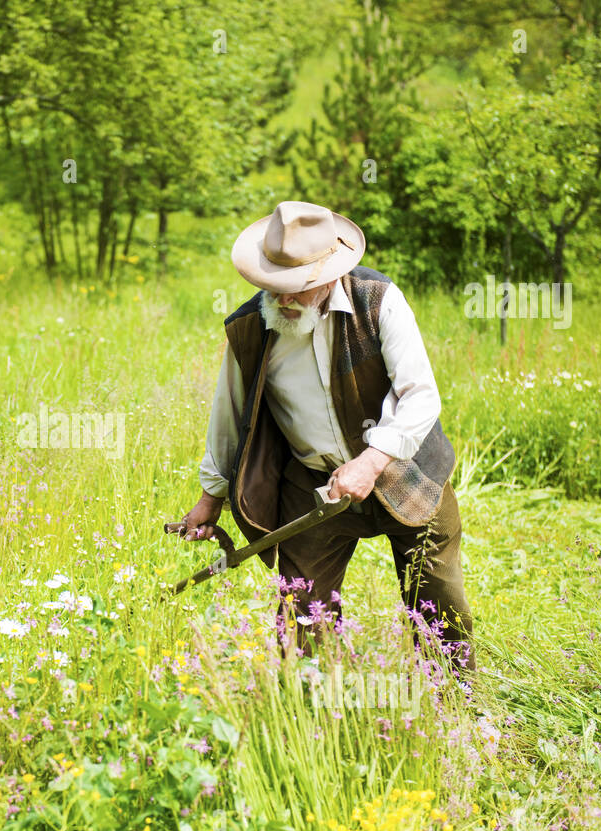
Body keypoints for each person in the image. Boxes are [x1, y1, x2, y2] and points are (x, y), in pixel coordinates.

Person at [179, 200, 476, 673]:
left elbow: (419, 395)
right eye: (273, 286)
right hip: (311, 485)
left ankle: (455, 704)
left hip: (405, 469)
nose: (282, 299)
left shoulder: (378, 299)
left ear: (328, 274)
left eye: (296, 288)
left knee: (439, 604)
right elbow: (227, 416)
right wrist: (210, 499)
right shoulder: (249, 328)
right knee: (301, 618)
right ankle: (313, 712)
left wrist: (370, 460)